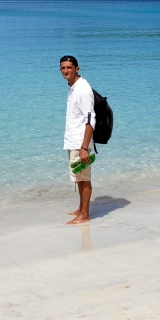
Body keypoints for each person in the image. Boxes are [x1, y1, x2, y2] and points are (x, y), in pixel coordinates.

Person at [60, 55, 95, 225]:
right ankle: (81, 209)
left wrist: (83, 147)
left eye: (69, 67)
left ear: (77, 69)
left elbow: (91, 120)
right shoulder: (74, 87)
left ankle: (85, 215)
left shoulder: (82, 89)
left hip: (80, 142)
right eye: (63, 68)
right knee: (79, 177)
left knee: (84, 177)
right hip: (74, 141)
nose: (66, 71)